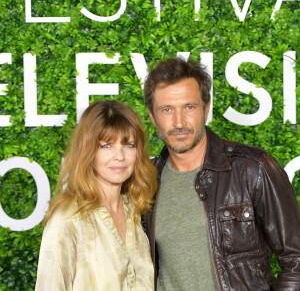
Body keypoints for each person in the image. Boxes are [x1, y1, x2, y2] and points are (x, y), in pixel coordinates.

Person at [142, 56, 300, 290]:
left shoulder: (252, 168)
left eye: (189, 107)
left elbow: (295, 259)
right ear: (152, 116)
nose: (179, 122)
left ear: (206, 108)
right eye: (167, 110)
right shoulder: (146, 181)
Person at [35, 100, 157, 291]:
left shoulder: (135, 212)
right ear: (88, 152)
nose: (120, 156)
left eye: (129, 145)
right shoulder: (68, 218)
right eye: (106, 145)